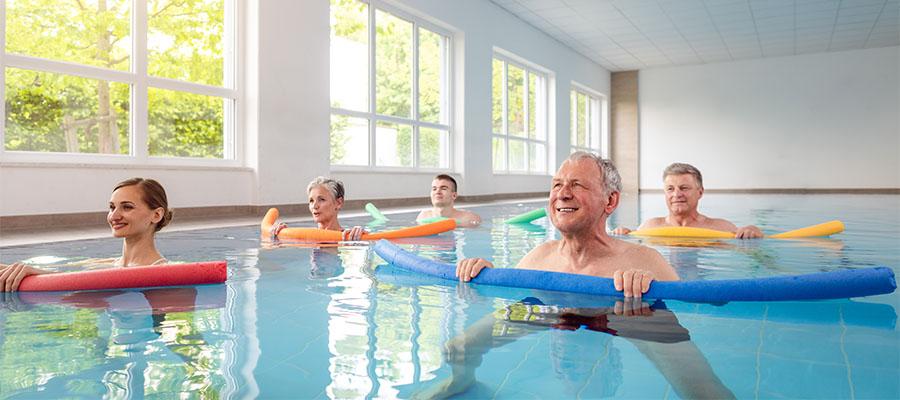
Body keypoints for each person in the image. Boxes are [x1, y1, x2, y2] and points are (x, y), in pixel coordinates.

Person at [456, 152, 678, 298]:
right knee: (461, 348)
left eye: (577, 185)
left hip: (621, 325)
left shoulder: (645, 262)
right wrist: (485, 278)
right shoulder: (539, 258)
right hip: (552, 326)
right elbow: (511, 302)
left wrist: (649, 298)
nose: (562, 195)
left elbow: (690, 311)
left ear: (610, 201)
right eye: (557, 185)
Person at [0, 177, 173, 292]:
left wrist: (39, 275)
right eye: (112, 207)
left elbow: (84, 289)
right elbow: (65, 273)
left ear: (156, 215)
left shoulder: (161, 272)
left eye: (127, 207)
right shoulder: (106, 264)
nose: (114, 216)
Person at [613, 163, 763, 239]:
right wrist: (622, 235)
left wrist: (754, 233)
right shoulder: (649, 226)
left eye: (684, 188)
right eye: (670, 189)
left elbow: (750, 249)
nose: (676, 194)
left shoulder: (720, 227)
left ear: (700, 192)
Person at [271, 176, 365, 241]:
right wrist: (278, 235)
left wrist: (360, 236)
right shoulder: (307, 236)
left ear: (338, 203)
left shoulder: (348, 236)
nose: (314, 206)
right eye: (311, 201)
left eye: (322, 200)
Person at [417, 174, 481, 227]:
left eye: (443, 188)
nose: (437, 192)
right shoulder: (423, 216)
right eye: (434, 189)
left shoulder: (469, 219)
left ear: (454, 195)